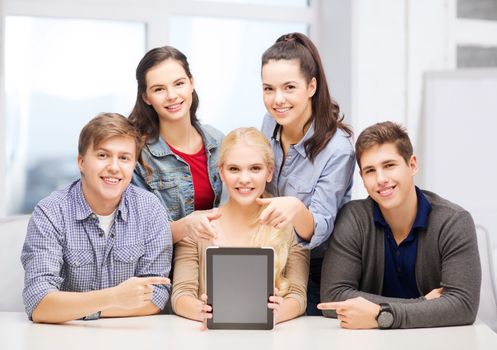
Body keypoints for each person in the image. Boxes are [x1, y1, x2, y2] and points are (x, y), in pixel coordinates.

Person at [318, 121, 481, 329]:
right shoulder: (353, 218)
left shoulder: (454, 222)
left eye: (389, 165)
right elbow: (333, 297)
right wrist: (423, 306)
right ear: (362, 178)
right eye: (370, 171)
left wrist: (381, 315)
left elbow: (463, 306)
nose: (381, 179)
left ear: (412, 165)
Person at [21, 113, 172, 323]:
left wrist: (81, 310)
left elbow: (156, 297)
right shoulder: (50, 212)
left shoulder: (150, 209)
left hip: (130, 337)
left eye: (124, 158)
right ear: (81, 162)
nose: (114, 167)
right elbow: (39, 303)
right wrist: (114, 297)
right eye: (103, 155)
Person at [171, 127, 310, 327]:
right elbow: (181, 294)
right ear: (221, 172)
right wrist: (202, 311)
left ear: (269, 172)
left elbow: (298, 296)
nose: (244, 179)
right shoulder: (198, 225)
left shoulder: (289, 226)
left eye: (255, 168)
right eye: (234, 169)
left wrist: (276, 313)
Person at [259, 32, 355, 315]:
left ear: (311, 86)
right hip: (274, 258)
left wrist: (296, 209)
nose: (278, 100)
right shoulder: (269, 123)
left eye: (289, 87)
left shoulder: (338, 149)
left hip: (316, 269)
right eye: (268, 88)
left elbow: (322, 228)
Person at [129, 46, 223, 244]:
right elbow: (140, 236)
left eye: (179, 84)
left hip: (218, 257)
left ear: (191, 83)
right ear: (146, 97)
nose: (171, 95)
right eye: (159, 89)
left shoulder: (218, 141)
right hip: (165, 268)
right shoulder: (137, 156)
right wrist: (187, 226)